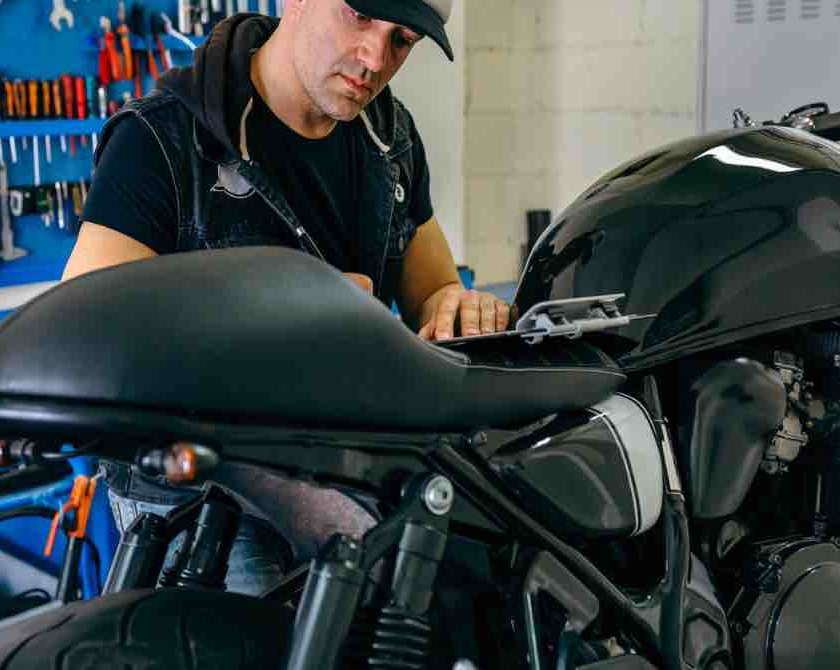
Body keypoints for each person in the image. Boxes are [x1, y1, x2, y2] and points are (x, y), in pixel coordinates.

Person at [63, 0, 510, 594]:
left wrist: (456, 302)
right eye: (360, 16)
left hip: (343, 466)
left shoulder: (390, 135)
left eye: (402, 40)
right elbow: (89, 334)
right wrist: (283, 309)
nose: (375, 59)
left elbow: (432, 289)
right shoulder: (160, 138)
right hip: (204, 493)